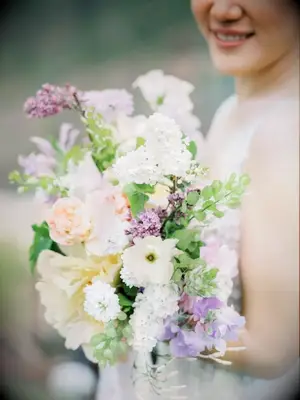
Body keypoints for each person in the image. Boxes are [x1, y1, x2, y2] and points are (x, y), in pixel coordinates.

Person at [97, 1, 299, 399]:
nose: (222, 10)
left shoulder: (284, 134)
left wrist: (136, 309)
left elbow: (273, 352)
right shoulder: (234, 112)